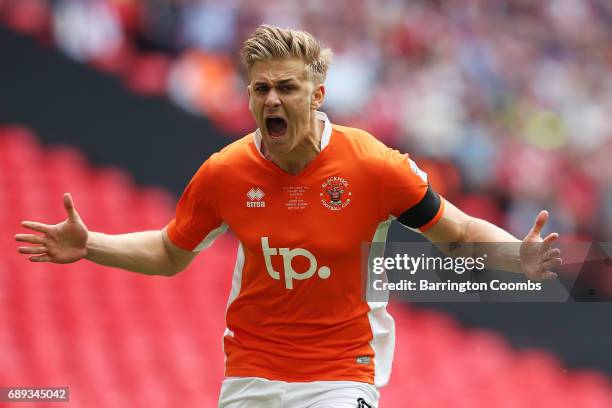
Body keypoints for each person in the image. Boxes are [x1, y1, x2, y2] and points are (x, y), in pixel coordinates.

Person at [15, 25, 562, 408]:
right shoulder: (225, 172)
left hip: (339, 375)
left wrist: (516, 254)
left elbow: (459, 232)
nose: (272, 99)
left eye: (287, 87)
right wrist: (90, 245)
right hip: (250, 372)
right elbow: (169, 252)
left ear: (317, 94)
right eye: (261, 88)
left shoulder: (372, 166)